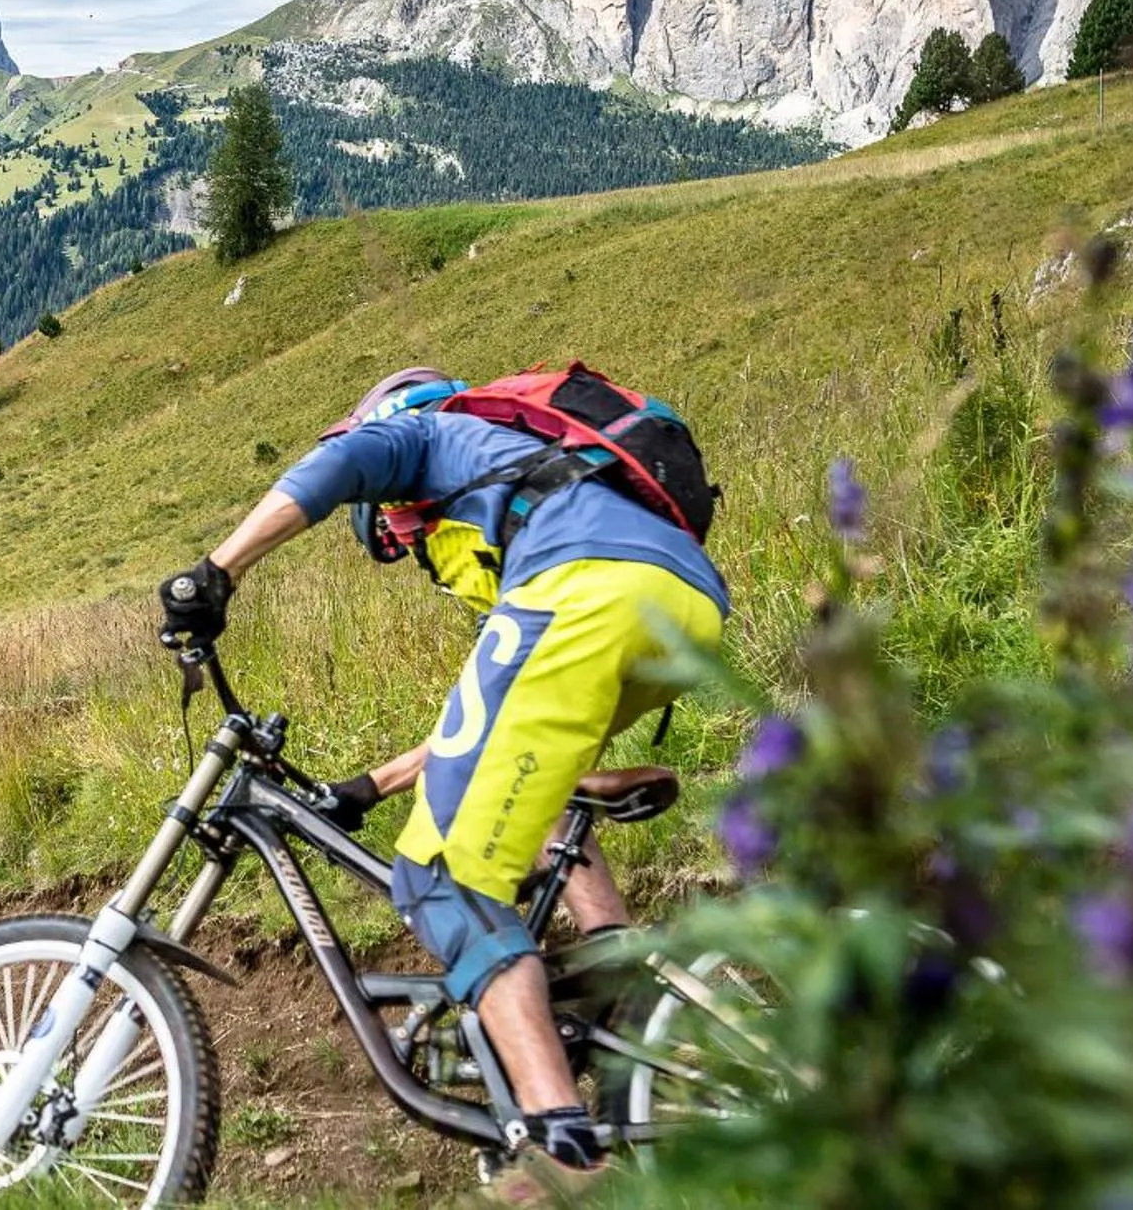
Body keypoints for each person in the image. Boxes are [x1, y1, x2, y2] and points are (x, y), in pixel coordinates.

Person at [158, 367, 727, 1201]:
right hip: (680, 603)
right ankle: (619, 984)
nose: (400, 537)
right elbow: (485, 721)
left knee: (440, 872)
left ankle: (557, 1142)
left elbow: (338, 466)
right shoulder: (533, 480)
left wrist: (214, 571)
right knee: (522, 789)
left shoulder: (425, 434)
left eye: (395, 528)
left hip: (585, 591)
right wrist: (372, 783)